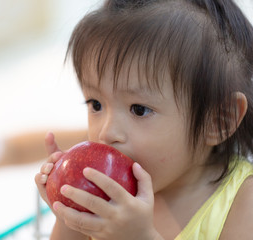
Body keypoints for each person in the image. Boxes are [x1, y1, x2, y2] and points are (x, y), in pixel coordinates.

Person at [35, 0, 253, 239]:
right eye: (96, 104)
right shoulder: (109, 196)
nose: (107, 133)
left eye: (139, 109)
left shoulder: (243, 202)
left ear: (218, 120)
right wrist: (69, 214)